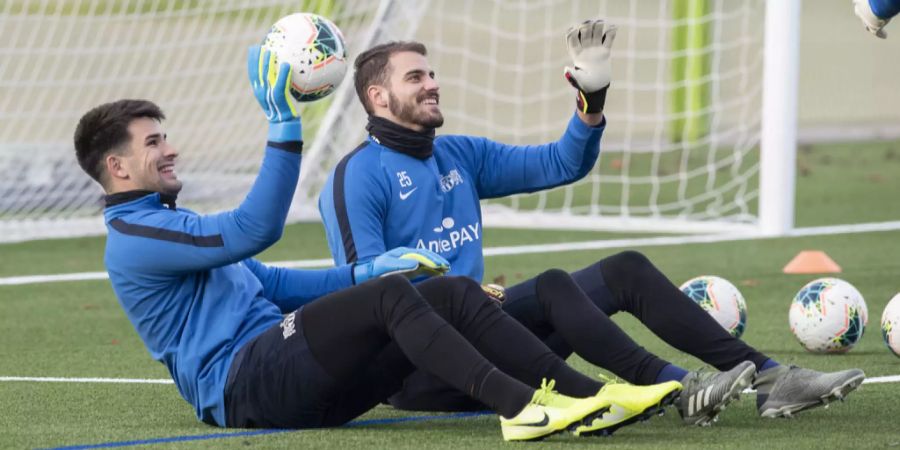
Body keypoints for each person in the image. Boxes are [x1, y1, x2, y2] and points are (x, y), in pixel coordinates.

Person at [72, 45, 683, 442]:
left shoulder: (167, 223)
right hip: (245, 385)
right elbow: (253, 230)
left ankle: (593, 398)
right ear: (117, 168)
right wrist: (284, 128)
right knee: (394, 297)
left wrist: (368, 271)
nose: (170, 147)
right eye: (153, 142)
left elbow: (276, 284)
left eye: (165, 136)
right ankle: (524, 409)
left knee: (441, 291)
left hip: (303, 383)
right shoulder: (134, 237)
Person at [317, 19, 866, 425]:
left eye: (432, 73)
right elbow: (367, 297)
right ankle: (680, 388)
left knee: (623, 269)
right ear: (378, 96)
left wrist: (591, 103)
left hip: (491, 331)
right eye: (417, 77)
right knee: (553, 283)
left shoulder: (458, 154)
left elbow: (561, 163)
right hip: (425, 372)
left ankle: (772, 379)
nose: (432, 83)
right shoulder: (355, 179)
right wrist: (453, 294)